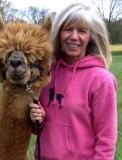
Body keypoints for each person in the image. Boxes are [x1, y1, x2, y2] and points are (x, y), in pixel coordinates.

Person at [29, 3, 118, 160]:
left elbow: (107, 139)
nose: (74, 36)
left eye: (82, 31)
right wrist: (39, 120)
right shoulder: (46, 74)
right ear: (59, 33)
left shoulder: (102, 80)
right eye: (68, 29)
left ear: (90, 36)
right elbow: (37, 129)